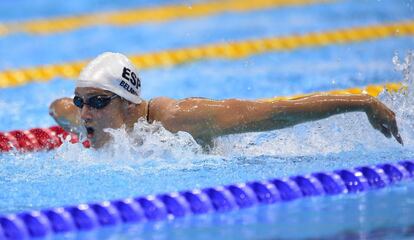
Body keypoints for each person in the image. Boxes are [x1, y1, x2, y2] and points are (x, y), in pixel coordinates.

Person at [49, 52, 403, 150]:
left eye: (96, 101)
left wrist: (362, 102)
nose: (86, 113)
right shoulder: (90, 119)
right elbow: (58, 107)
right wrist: (66, 106)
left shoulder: (176, 120)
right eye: (81, 103)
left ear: (128, 103)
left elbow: (274, 113)